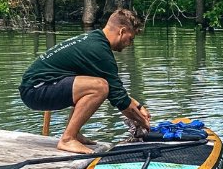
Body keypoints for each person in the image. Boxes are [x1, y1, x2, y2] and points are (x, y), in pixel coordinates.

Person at [19, 8, 151, 154]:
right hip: (35, 89)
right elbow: (120, 102)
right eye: (130, 38)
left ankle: (74, 134)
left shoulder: (96, 40)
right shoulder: (100, 52)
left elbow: (117, 91)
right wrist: (144, 123)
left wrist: (139, 106)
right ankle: (68, 139)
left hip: (40, 86)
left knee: (100, 85)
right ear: (121, 31)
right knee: (100, 87)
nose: (130, 44)